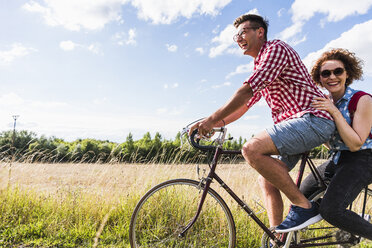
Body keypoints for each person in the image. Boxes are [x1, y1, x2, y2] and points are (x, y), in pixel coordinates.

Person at [188, 13, 335, 234]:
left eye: (243, 32)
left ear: (260, 32)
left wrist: (211, 119)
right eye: (235, 35)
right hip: (297, 126)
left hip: (312, 120)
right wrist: (212, 123)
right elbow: (244, 105)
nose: (238, 38)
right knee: (267, 181)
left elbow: (246, 90)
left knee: (251, 149)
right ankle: (278, 237)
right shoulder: (261, 64)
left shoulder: (275, 49)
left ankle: (304, 206)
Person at [300, 48, 372, 239]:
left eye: (338, 71)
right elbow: (329, 142)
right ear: (320, 79)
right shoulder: (325, 101)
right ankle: (355, 222)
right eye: (326, 73)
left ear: (347, 74)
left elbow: (356, 143)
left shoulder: (362, 99)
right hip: (339, 157)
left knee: (331, 210)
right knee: (301, 195)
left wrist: (334, 112)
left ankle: (355, 223)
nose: (332, 76)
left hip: (363, 159)